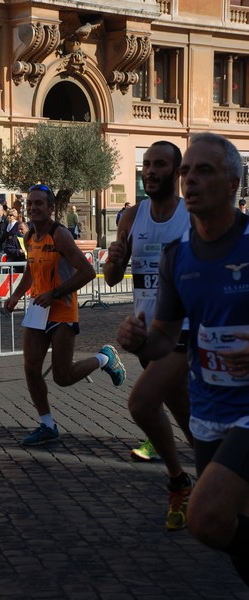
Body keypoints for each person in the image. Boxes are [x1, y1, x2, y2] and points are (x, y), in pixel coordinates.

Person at [116, 132, 249, 586]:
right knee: (229, 522)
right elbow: (161, 340)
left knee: (206, 516)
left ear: (233, 182)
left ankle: (181, 487)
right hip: (211, 409)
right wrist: (136, 341)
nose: (190, 180)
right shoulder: (180, 256)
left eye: (203, 171)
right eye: (188, 171)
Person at [103, 140, 194, 531]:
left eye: (160, 165)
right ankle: (201, 481)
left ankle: (184, 483)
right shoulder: (132, 216)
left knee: (141, 404)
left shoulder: (191, 215)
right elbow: (110, 277)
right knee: (189, 422)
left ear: (176, 173)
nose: (152, 171)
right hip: (146, 337)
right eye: (147, 165)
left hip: (186, 333)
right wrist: (115, 260)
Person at [4, 184, 126, 446]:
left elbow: (88, 272)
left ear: (50, 208)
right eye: (31, 203)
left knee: (62, 376)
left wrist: (56, 293)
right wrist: (16, 295)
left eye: (40, 203)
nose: (34, 207)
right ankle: (47, 424)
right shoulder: (29, 238)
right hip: (38, 311)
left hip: (62, 311)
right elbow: (31, 269)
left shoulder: (60, 236)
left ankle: (104, 358)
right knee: (31, 369)